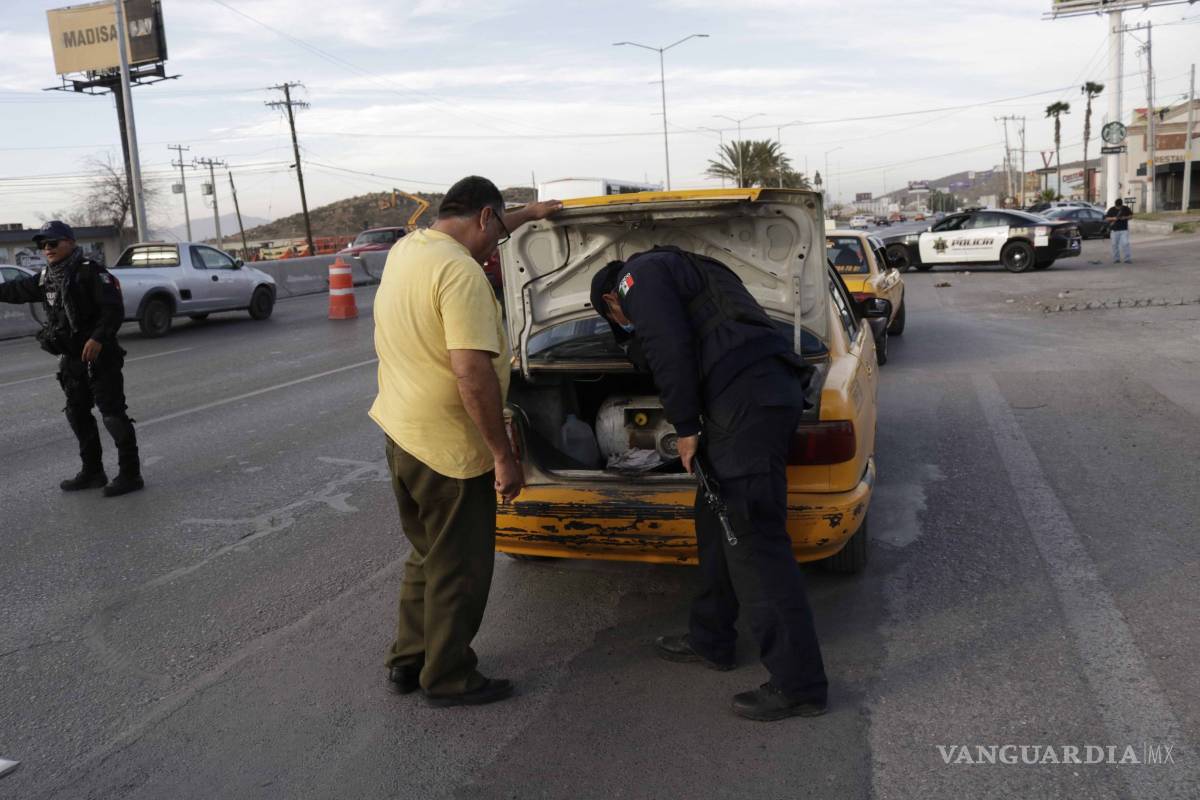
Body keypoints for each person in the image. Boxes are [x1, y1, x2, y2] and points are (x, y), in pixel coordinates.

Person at [589, 246, 829, 722]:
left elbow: (667, 345)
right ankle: (711, 638)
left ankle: (799, 685)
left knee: (755, 545)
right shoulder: (692, 267)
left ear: (612, 300)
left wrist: (684, 427)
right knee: (715, 523)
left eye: (617, 317)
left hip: (743, 404)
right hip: (761, 393)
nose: (625, 320)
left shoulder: (636, 280)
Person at [369, 176, 561, 707]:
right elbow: (471, 372)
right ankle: (448, 676)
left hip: (402, 433)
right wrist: (503, 455)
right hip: (450, 449)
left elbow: (492, 223)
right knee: (461, 567)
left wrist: (531, 213)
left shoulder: (410, 250)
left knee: (427, 555)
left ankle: (409, 660)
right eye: (496, 229)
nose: (497, 241)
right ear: (482, 217)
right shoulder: (462, 273)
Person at [0, 221, 143, 497]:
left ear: (70, 242)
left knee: (112, 415)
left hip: (100, 356)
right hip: (71, 359)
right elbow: (14, 291)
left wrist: (98, 338)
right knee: (77, 414)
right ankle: (93, 472)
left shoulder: (90, 272)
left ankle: (130, 474)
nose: (47, 249)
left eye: (53, 243)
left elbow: (113, 310)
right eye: (43, 245)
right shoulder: (46, 278)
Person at [1104, 198, 1134, 263]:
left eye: (1119, 207)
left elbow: (1131, 216)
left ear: (1121, 205)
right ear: (1115, 205)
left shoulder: (1125, 208)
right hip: (1114, 230)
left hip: (1124, 230)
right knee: (1114, 245)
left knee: (1125, 244)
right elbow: (1106, 218)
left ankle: (1127, 259)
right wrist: (1113, 218)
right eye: (1117, 207)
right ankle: (1116, 259)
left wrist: (1125, 217)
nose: (1118, 208)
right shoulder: (1111, 209)